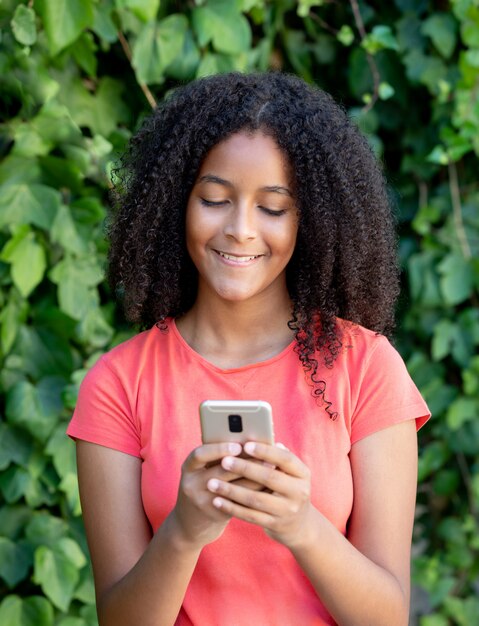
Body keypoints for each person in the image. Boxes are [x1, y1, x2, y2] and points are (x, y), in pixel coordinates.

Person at [67, 72, 430, 626]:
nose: (239, 229)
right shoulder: (119, 383)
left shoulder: (367, 367)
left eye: (273, 208)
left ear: (313, 220)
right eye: (214, 199)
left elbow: (387, 617)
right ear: (175, 204)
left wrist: (300, 525)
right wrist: (184, 531)